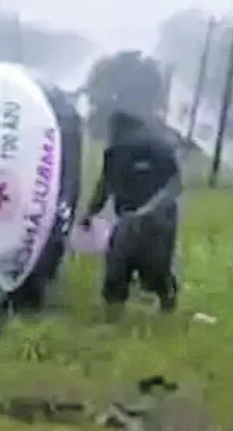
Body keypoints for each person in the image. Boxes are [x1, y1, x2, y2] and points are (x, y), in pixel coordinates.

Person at [79, 111, 182, 320]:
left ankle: (124, 315)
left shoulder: (131, 150)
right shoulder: (131, 151)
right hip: (144, 219)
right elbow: (105, 185)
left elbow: (105, 187)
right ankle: (156, 308)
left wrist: (90, 214)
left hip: (148, 219)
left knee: (138, 267)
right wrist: (90, 212)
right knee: (136, 266)